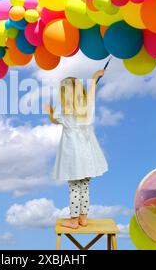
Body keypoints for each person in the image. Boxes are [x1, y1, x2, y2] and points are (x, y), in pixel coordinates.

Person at [45, 70, 109, 229]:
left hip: (73, 153)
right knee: (85, 186)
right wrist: (94, 79)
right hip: (87, 152)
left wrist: (49, 111)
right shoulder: (87, 107)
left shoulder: (62, 109)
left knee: (74, 186)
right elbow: (92, 95)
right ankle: (83, 218)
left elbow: (55, 120)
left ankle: (73, 220)